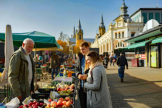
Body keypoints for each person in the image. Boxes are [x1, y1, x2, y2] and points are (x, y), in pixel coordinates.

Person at [8, 38, 35, 102]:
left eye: (32, 47)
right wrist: (17, 93)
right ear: (23, 45)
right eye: (29, 47)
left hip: (27, 91)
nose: (30, 49)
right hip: (19, 93)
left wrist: (31, 88)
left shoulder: (30, 55)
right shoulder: (17, 56)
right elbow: (12, 76)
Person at [76, 42, 90, 108]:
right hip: (80, 86)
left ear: (88, 48)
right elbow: (77, 69)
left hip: (89, 86)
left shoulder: (92, 57)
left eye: (83, 49)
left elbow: (95, 71)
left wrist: (87, 75)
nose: (82, 51)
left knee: (89, 105)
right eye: (81, 49)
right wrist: (78, 74)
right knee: (82, 105)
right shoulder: (80, 58)